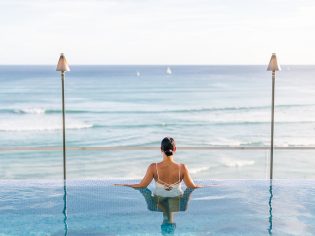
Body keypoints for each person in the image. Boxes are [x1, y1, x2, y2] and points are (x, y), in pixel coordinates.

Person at [115, 137, 201, 196]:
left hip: (159, 202)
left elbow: (141, 186)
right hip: (177, 201)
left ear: (161, 149)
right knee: (183, 207)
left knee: (151, 207)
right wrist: (210, 186)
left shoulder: (153, 167)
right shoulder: (182, 168)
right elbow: (192, 187)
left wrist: (124, 184)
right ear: (175, 149)